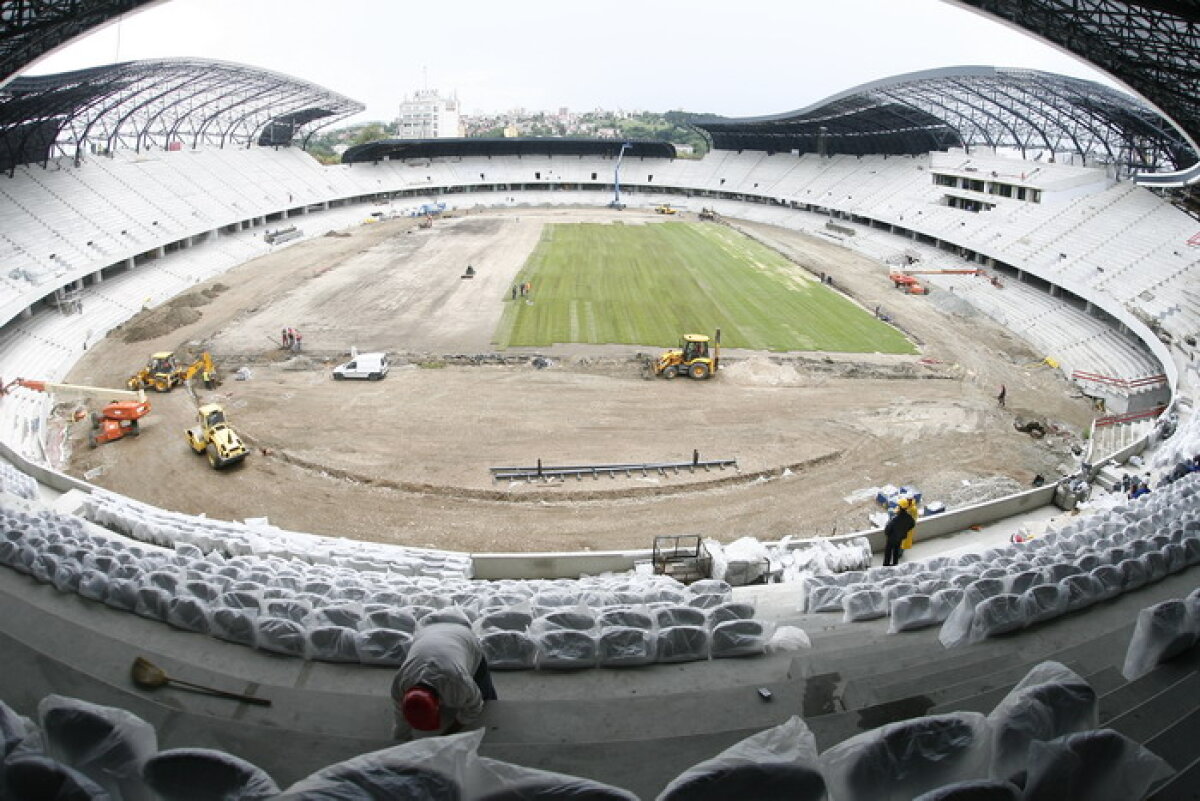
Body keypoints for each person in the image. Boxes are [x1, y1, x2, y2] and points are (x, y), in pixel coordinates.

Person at [391, 622, 496, 739]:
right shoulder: (399, 684)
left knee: (484, 695)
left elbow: (474, 707)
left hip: (464, 638)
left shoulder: (458, 681)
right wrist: (402, 742)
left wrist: (446, 736)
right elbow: (400, 720)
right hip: (428, 634)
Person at [882, 498, 916, 567]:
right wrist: (905, 530)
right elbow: (912, 525)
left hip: (891, 538)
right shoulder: (909, 518)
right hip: (900, 537)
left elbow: (888, 529)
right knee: (896, 551)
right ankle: (895, 564)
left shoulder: (895, 519)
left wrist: (887, 534)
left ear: (900, 508)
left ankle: (886, 565)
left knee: (888, 551)